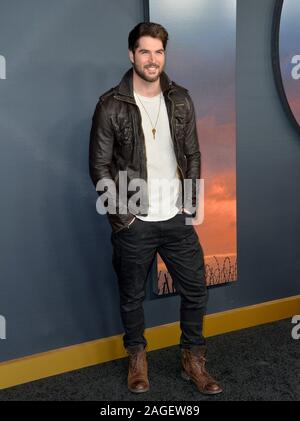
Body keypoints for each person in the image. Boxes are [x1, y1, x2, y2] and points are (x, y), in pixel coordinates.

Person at [89, 22, 222, 395]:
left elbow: (193, 153)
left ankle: (192, 359)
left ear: (165, 55)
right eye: (145, 51)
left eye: (159, 52)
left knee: (196, 290)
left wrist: (191, 205)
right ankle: (137, 358)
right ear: (132, 55)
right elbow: (99, 167)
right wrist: (122, 218)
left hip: (176, 218)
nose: (152, 59)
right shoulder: (110, 105)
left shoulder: (180, 98)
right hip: (135, 220)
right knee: (132, 295)